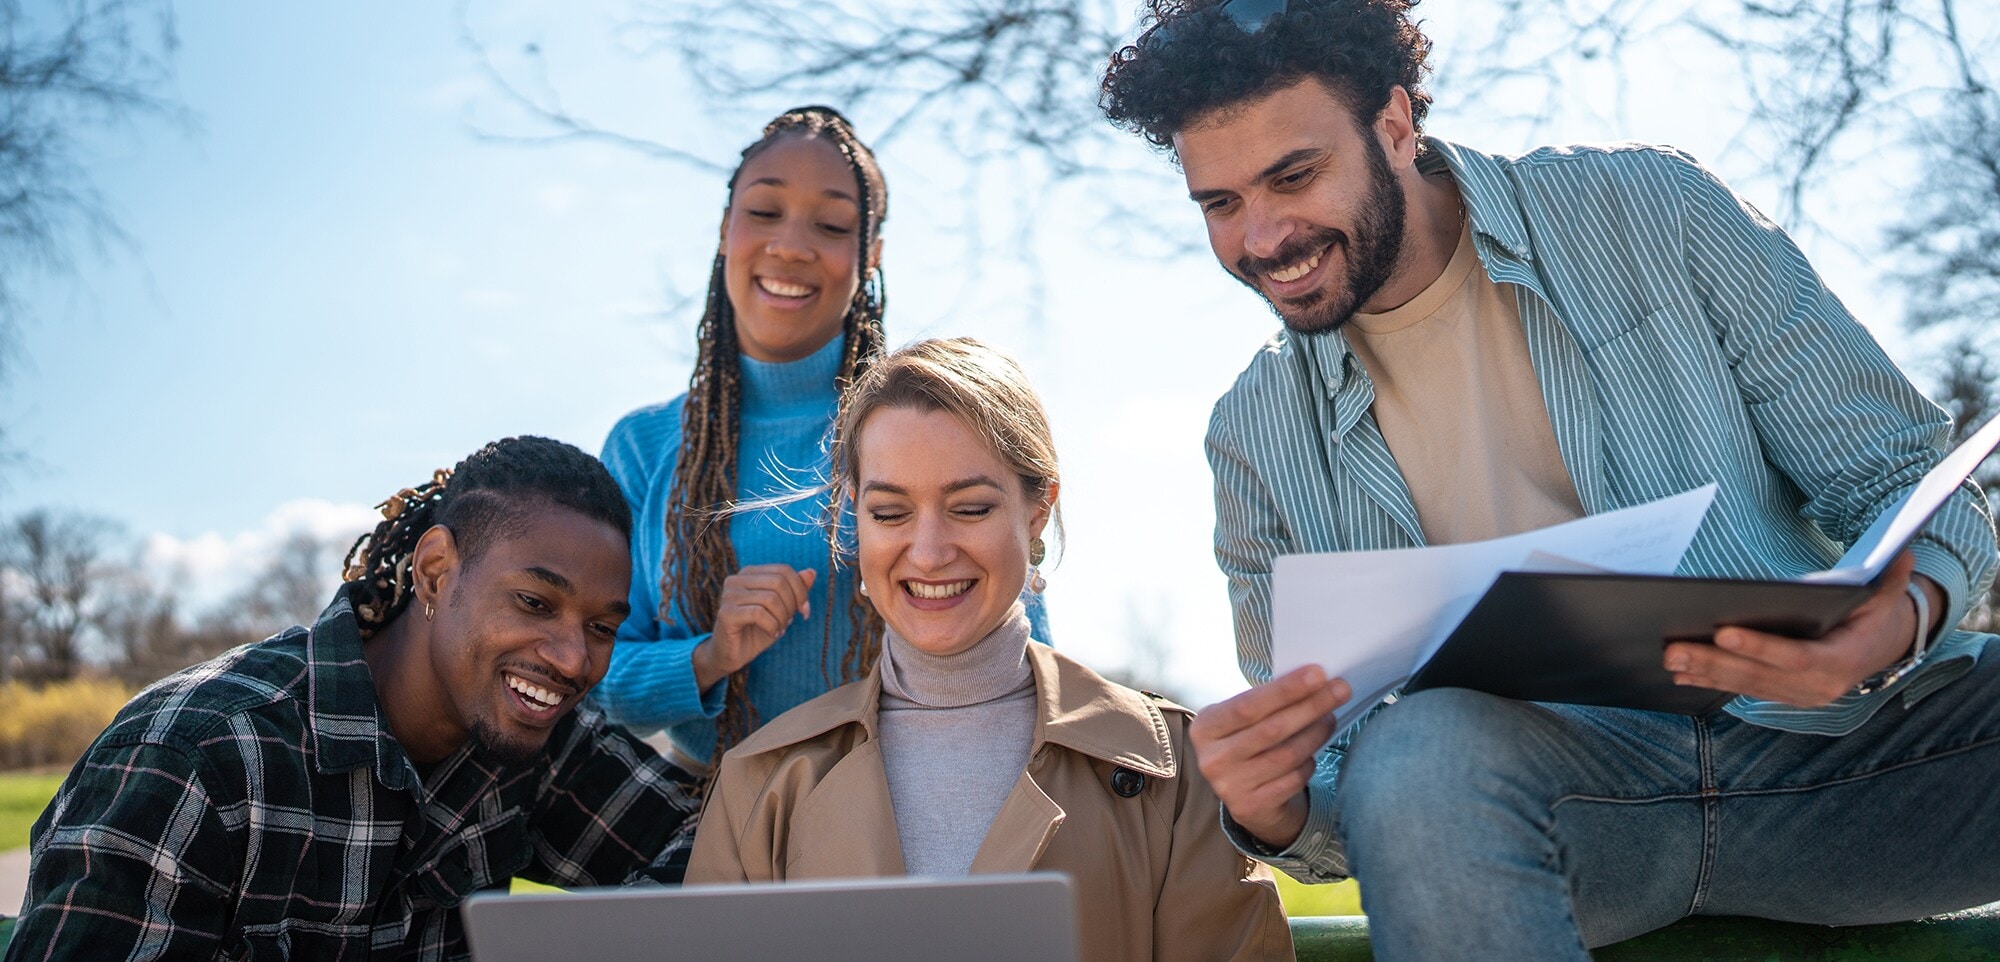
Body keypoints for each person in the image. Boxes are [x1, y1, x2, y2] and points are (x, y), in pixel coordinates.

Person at [1098, 1, 2000, 958]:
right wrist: (1276, 810)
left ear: (1394, 126)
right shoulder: (1253, 438)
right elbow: (1344, 775)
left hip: (1859, 753)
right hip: (1571, 821)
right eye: (1220, 204)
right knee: (1417, 751)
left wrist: (1892, 627)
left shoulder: (1653, 212)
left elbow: (1902, 476)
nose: (1263, 237)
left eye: (1294, 176)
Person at [687, 338, 1293, 962]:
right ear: (855, 518)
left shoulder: (1173, 771)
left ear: (1038, 512)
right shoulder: (759, 782)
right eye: (890, 513)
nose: (928, 553)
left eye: (970, 508)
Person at [4, 437, 703, 962]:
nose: (573, 658)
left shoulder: (532, 737)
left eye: (601, 628)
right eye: (534, 602)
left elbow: (712, 849)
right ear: (436, 572)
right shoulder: (194, 758)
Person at [595, 106, 1049, 770]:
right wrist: (709, 656)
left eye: (832, 226)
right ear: (725, 229)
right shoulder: (643, 447)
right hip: (706, 809)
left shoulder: (932, 426)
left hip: (911, 798)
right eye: (764, 212)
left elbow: (1025, 650)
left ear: (872, 255)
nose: (791, 246)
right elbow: (589, 678)